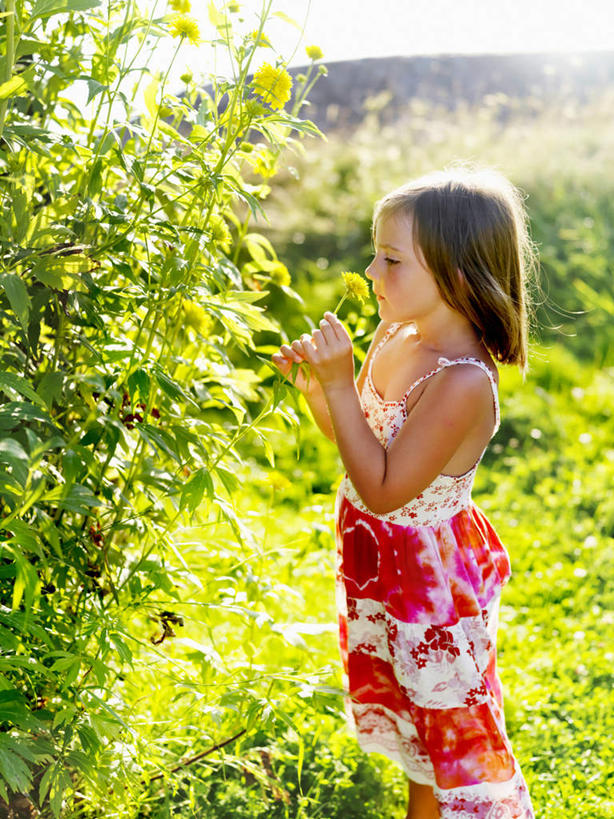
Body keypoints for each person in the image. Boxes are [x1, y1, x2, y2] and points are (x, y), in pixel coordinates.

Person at [272, 165, 537, 819]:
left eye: (391, 260)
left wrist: (340, 383)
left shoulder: (462, 381)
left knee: (448, 723)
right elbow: (360, 442)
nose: (370, 272)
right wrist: (320, 393)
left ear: (457, 275)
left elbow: (385, 489)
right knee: (416, 719)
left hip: (429, 587)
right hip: (380, 572)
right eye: (376, 254)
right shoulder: (395, 335)